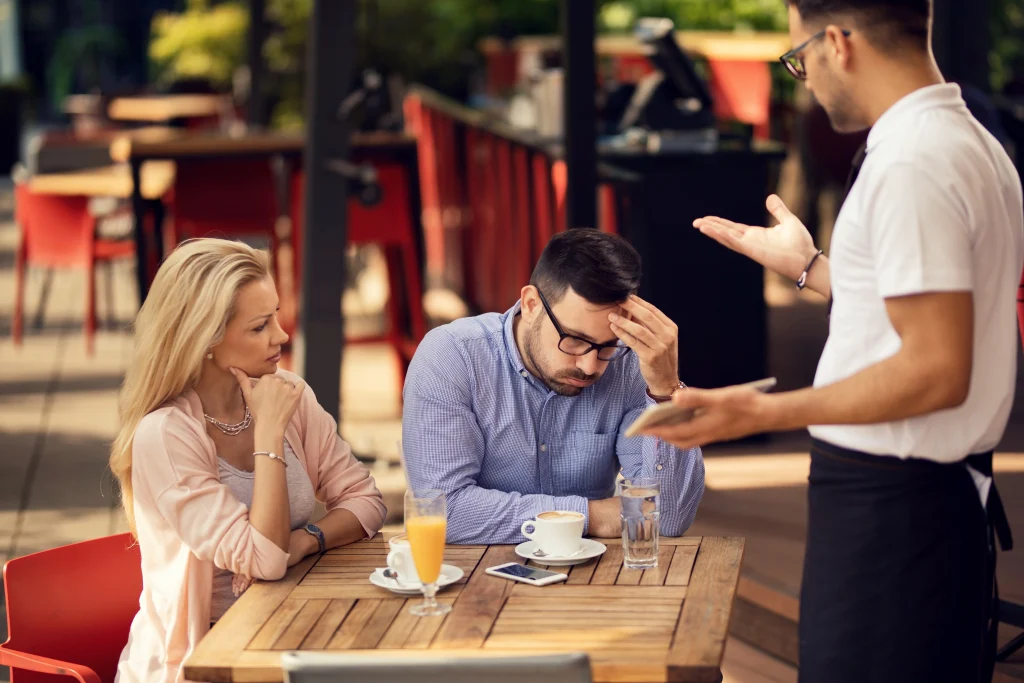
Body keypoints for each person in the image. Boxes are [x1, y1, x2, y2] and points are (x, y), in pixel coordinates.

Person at [640, 1, 1024, 681]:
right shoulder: (968, 141)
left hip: (896, 516)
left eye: (799, 58)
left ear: (839, 42)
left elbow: (938, 366)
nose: (803, 80)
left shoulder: (914, 163)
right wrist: (810, 268)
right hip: (930, 507)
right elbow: (923, 312)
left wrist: (760, 412)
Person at [110, 239, 386, 683]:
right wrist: (269, 432)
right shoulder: (165, 436)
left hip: (291, 627)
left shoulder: (285, 391)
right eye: (260, 326)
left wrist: (307, 539)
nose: (281, 335)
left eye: (276, 314)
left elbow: (367, 502)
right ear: (206, 342)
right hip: (207, 659)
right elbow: (265, 561)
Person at [402, 229, 704, 544]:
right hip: (475, 578)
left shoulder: (628, 362)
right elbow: (440, 513)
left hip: (598, 578)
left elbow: (668, 518)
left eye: (607, 346)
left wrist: (666, 391)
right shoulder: (454, 356)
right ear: (531, 304)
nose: (590, 367)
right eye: (573, 340)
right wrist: (592, 516)